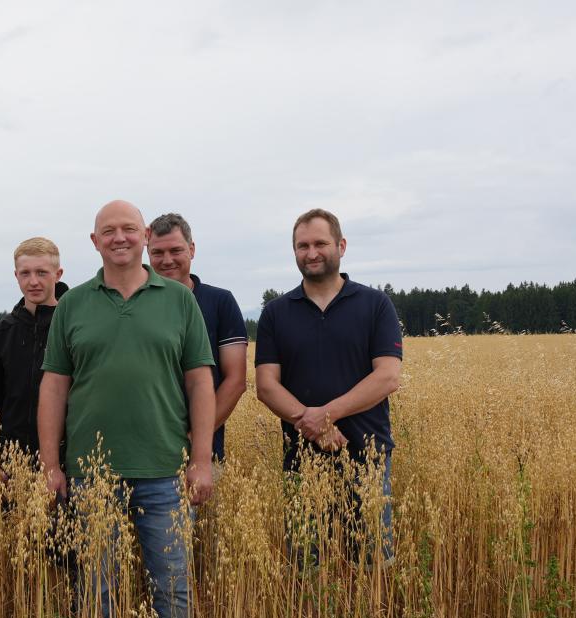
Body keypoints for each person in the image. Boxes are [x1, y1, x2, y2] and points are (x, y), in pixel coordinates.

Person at [38, 200, 215, 618]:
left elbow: (200, 380)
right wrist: (52, 464)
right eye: (107, 231)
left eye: (128, 229)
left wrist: (200, 459)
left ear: (143, 237)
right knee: (97, 588)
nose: (119, 237)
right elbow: (54, 385)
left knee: (173, 588)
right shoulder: (73, 306)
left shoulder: (180, 302)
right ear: (93, 242)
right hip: (92, 476)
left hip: (163, 469)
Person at [254, 208, 402, 565]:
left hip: (367, 459)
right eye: (302, 245)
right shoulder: (276, 312)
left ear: (341, 245)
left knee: (371, 568)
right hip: (301, 460)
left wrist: (325, 415)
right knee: (305, 571)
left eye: (320, 243)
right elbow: (266, 385)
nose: (312, 252)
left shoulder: (375, 305)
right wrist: (313, 426)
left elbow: (387, 377)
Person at [147, 213, 248, 462]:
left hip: (203, 455)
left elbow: (235, 381)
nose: (167, 260)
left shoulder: (220, 302)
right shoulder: (134, 303)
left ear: (192, 250)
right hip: (144, 455)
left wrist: (195, 438)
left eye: (175, 250)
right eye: (157, 253)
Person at [0, 236, 68, 455]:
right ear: (16, 276)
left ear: (58, 274)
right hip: (12, 465)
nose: (33, 281)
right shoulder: (0, 335)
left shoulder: (74, 329)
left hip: (68, 466)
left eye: (42, 272)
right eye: (25, 273)